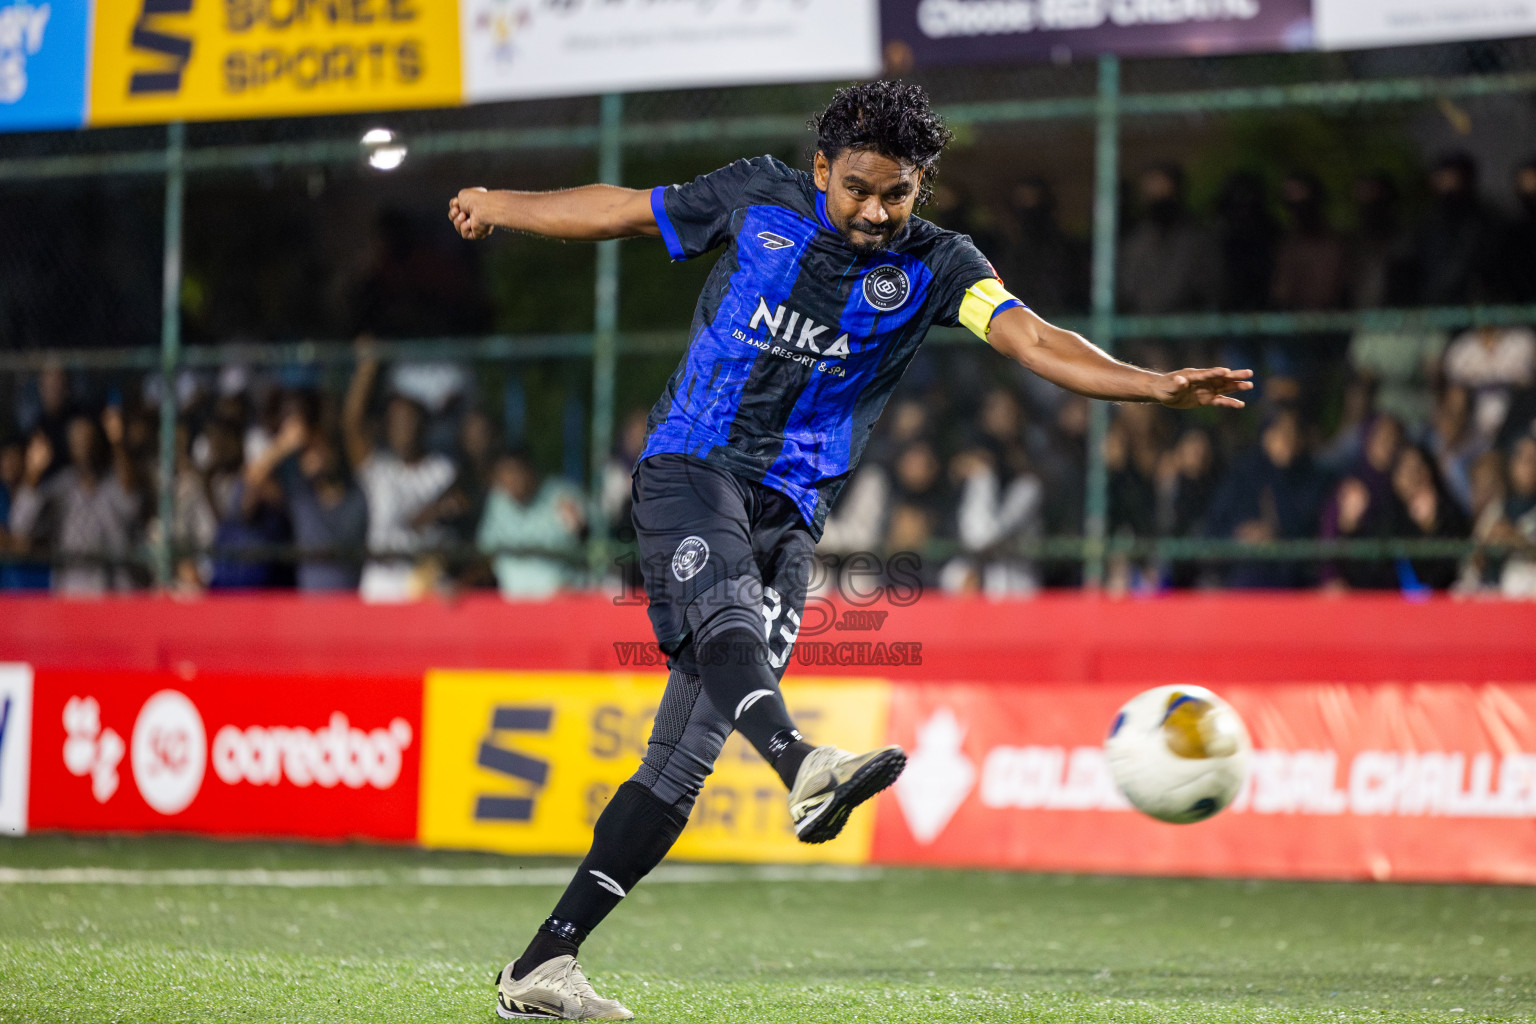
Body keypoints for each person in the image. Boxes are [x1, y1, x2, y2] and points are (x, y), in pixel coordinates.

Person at [450, 80, 1252, 1022]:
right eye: (860, 188)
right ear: (822, 169)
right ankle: (802, 766)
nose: (877, 211)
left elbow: (1030, 339)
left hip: (794, 514)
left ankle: (543, 967)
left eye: (898, 194)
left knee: (681, 763)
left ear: (921, 190)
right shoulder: (758, 197)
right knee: (728, 624)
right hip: (692, 465)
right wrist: (500, 205)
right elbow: (627, 212)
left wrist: (1151, 386)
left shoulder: (942, 265)